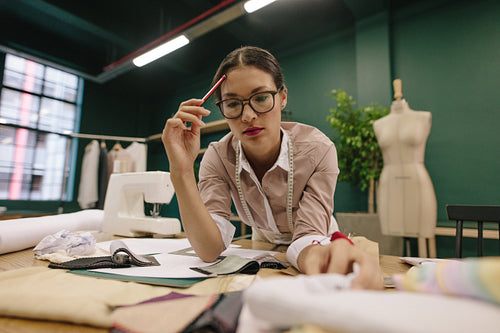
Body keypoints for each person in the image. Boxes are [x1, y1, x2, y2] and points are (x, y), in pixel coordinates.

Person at [162, 46, 383, 289]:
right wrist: (180, 170)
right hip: (263, 241)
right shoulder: (217, 157)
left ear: (282, 97)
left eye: (260, 98)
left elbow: (308, 235)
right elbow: (208, 250)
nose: (248, 116)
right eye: (233, 104)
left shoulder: (318, 150)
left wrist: (321, 258)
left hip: (316, 240)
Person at [373, 83, 437, 256]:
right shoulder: (379, 124)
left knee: (423, 232)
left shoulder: (423, 117)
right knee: (390, 234)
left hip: (416, 179)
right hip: (389, 182)